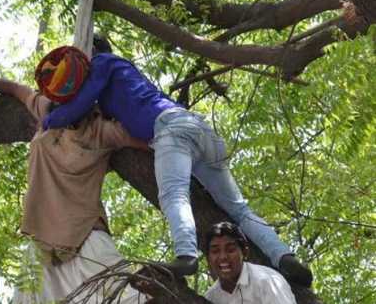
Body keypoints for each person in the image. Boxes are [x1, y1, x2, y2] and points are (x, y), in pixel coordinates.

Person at [38, 42, 313, 286]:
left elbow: (79, 103)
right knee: (238, 209)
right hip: (197, 130)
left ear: (93, 54)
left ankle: (186, 256)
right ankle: (284, 256)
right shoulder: (118, 82)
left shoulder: (104, 62)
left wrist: (48, 119)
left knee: (173, 194)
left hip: (170, 130)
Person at [0, 39, 148, 303]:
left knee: (124, 298)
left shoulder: (100, 131)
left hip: (85, 234)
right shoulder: (47, 113)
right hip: (41, 241)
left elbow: (144, 141)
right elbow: (16, 89)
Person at [204, 222, 297, 304]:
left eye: (230, 250)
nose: (223, 257)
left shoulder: (267, 281)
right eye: (215, 251)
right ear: (208, 258)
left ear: (245, 252)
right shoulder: (211, 297)